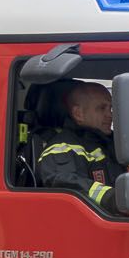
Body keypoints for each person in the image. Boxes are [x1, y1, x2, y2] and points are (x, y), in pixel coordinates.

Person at [34, 79, 117, 208]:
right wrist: (112, 197)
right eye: (101, 108)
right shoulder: (62, 148)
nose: (110, 115)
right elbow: (65, 182)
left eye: (110, 108)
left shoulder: (112, 142)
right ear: (78, 114)